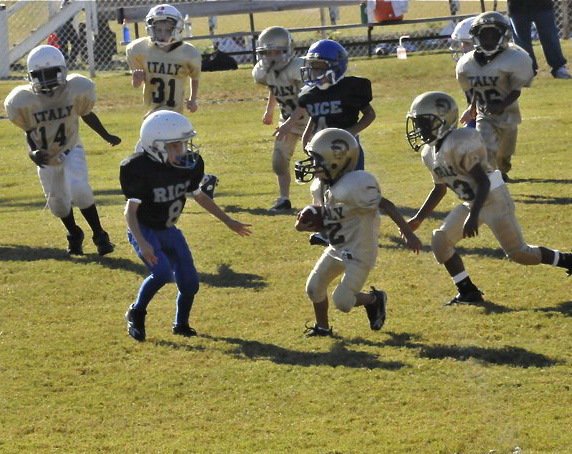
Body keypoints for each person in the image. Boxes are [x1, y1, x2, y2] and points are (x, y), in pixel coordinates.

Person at [404, 91, 572, 305]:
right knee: (440, 241)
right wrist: (419, 218)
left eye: (424, 122)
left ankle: (567, 259)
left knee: (520, 254)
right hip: (472, 202)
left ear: (443, 120)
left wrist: (473, 217)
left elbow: (483, 182)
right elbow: (439, 189)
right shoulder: (429, 153)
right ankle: (468, 291)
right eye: (417, 123)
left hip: (493, 199)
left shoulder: (460, 141)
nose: (419, 129)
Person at [120, 110, 252, 342]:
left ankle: (181, 324)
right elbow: (130, 212)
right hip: (145, 229)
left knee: (190, 283)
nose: (182, 151)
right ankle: (136, 311)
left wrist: (228, 220)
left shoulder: (188, 166)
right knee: (161, 273)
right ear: (155, 146)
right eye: (174, 146)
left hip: (169, 230)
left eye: (182, 144)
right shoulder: (138, 168)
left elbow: (199, 196)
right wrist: (142, 241)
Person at [294, 128, 421, 336]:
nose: (312, 165)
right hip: (337, 247)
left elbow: (386, 205)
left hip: (360, 252)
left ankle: (374, 300)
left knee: (343, 302)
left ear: (336, 160)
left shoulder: (355, 185)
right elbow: (325, 217)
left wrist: (407, 232)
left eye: (317, 160)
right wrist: (306, 224)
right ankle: (323, 328)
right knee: (314, 287)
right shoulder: (320, 186)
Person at [4, 45, 120, 256]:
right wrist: (33, 152)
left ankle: (100, 235)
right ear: (31, 76)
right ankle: (74, 233)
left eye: (51, 73)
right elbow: (29, 131)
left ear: (62, 71)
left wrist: (106, 135)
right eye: (40, 75)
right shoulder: (23, 100)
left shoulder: (75, 89)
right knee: (57, 203)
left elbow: (86, 114)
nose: (46, 79)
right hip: (47, 156)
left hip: (71, 148)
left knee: (79, 188)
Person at [279, 39, 376, 245]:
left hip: (347, 150)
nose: (312, 71)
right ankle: (327, 229)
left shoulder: (351, 88)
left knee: (348, 191)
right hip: (323, 150)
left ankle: (355, 227)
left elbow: (369, 115)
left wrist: (350, 133)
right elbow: (314, 117)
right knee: (321, 190)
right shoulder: (311, 93)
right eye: (311, 66)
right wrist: (306, 138)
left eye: (318, 66)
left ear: (335, 66)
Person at [126, 4, 218, 198]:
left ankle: (142, 192)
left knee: (148, 151)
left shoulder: (188, 53)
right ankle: (203, 181)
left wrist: (193, 99)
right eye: (157, 29)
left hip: (173, 111)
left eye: (166, 29)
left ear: (176, 28)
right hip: (152, 110)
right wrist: (136, 79)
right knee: (168, 154)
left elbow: (194, 77)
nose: (161, 33)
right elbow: (137, 83)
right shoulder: (139, 49)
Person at [456, 11, 534, 182]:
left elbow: (516, 90)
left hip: (509, 115)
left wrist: (502, 105)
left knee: (504, 155)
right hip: (485, 114)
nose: (488, 40)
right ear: (476, 37)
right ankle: (490, 180)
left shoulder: (514, 58)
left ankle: (502, 171)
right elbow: (475, 89)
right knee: (487, 147)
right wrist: (472, 107)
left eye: (493, 35)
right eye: (484, 35)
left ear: (503, 35)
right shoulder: (467, 64)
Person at [252, 26, 308, 212]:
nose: (272, 57)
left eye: (276, 52)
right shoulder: (264, 71)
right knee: (279, 161)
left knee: (320, 159)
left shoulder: (298, 67)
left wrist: (288, 124)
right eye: (267, 52)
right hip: (288, 121)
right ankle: (284, 199)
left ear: (288, 50)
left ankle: (324, 199)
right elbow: (274, 86)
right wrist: (269, 111)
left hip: (312, 120)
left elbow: (307, 101)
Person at [507, 0, 571, 79]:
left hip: (542, 4)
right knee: (522, 42)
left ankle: (558, 67)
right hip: (517, 6)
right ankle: (527, 70)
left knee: (550, 37)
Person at [449, 16, 477, 128]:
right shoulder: (468, 67)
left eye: (466, 43)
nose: (462, 48)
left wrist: (472, 110)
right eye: (462, 43)